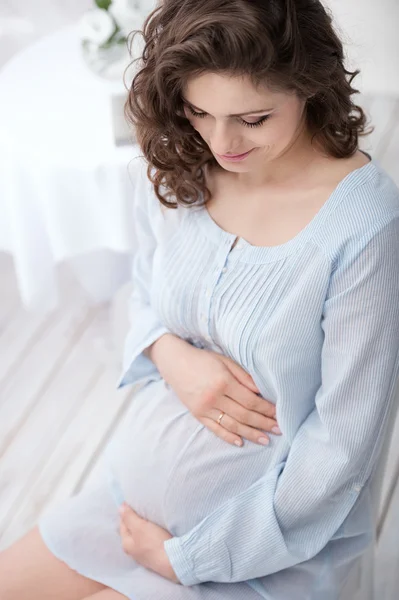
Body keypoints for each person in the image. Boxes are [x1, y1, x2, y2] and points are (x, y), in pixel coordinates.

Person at [1, 0, 399, 599]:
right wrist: (170, 355)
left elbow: (341, 451)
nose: (222, 142)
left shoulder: (363, 227)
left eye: (253, 118)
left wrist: (188, 557)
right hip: (125, 504)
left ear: (310, 89)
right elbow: (142, 291)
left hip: (258, 553)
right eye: (199, 111)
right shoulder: (183, 162)